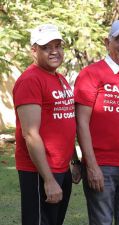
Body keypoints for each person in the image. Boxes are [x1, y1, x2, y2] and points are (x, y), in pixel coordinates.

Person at [74, 19, 119, 225]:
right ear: (107, 42)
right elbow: (81, 123)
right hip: (102, 165)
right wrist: (92, 165)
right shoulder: (90, 74)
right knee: (102, 222)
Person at [13, 24, 80, 225]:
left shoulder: (60, 78)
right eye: (46, 47)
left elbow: (65, 121)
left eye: (58, 45)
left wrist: (74, 161)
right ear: (33, 50)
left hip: (61, 168)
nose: (54, 51)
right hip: (39, 172)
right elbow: (30, 134)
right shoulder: (30, 80)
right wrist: (49, 180)